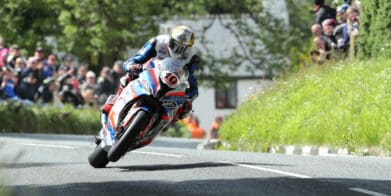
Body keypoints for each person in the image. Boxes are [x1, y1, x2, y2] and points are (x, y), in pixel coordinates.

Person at [101, 25, 200, 123]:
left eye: (183, 48)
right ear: (170, 39)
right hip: (149, 74)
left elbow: (194, 88)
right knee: (128, 77)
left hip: (172, 87)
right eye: (175, 45)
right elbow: (135, 59)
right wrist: (132, 66)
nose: (177, 50)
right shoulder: (158, 42)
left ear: (189, 48)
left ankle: (165, 125)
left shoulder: (193, 58)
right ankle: (115, 101)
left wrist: (188, 99)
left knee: (184, 110)